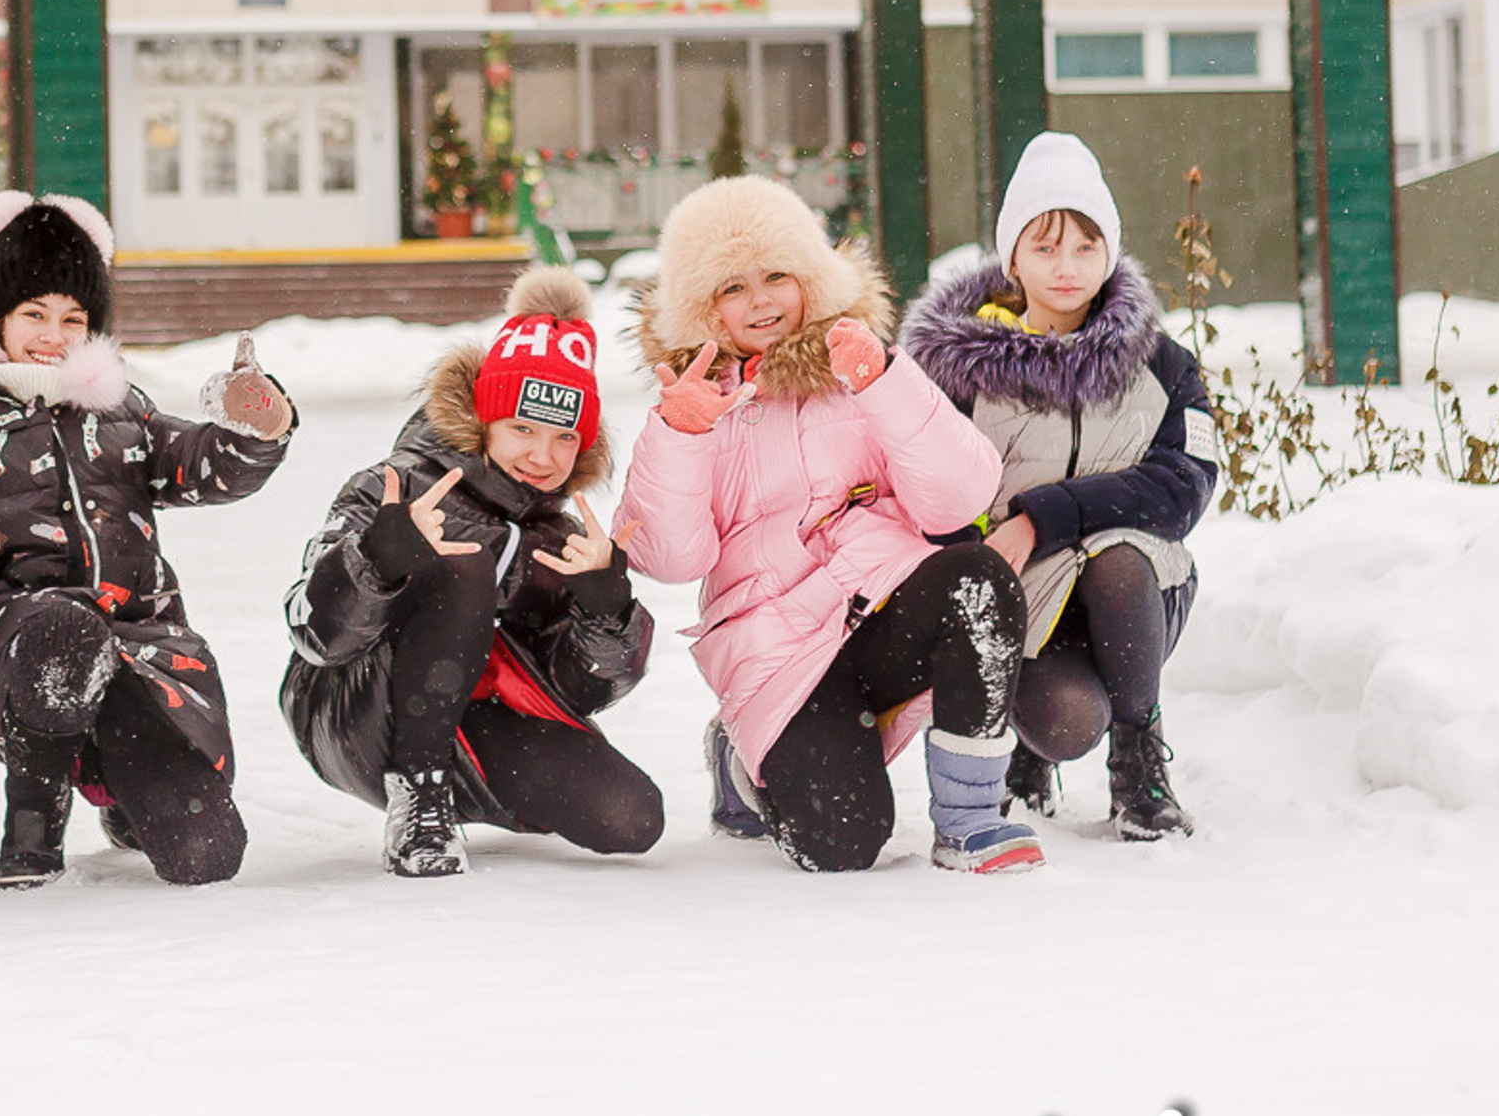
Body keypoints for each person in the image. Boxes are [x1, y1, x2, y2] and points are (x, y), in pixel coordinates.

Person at [0, 191, 294, 891]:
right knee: (62, 627)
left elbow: (205, 467)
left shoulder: (123, 415)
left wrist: (257, 427)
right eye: (34, 315)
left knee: (205, 854)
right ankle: (33, 821)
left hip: (138, 644)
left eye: (73, 319)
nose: (53, 334)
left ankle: (118, 787)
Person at [615, 176, 1040, 876]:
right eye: (732, 287)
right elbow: (672, 558)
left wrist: (884, 382)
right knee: (841, 845)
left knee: (979, 579)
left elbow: (959, 498)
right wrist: (678, 433)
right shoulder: (696, 401)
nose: (761, 301)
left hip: (882, 607)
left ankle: (970, 820)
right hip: (776, 652)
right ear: (702, 308)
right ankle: (744, 760)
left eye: (777, 275)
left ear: (810, 277)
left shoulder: (858, 363)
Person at [282, 265, 662, 879]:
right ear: (482, 420)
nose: (542, 456)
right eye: (521, 428)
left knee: (633, 817)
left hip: (468, 721)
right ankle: (421, 796)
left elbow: (584, 689)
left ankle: (450, 784)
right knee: (464, 565)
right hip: (353, 711)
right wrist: (378, 559)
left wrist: (606, 605)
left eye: (565, 437)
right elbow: (315, 635)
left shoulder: (559, 535)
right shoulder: (395, 489)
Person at [899, 133, 1215, 841]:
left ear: (1111, 251)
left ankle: (1140, 775)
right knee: (1068, 724)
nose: (1067, 268)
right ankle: (1025, 749)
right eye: (1045, 248)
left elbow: (1183, 487)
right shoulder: (960, 369)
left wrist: (1043, 516)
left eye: (1084, 247)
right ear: (1012, 257)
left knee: (1120, 557)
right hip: (1022, 601)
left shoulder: (1161, 363)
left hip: (1138, 595)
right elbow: (929, 496)